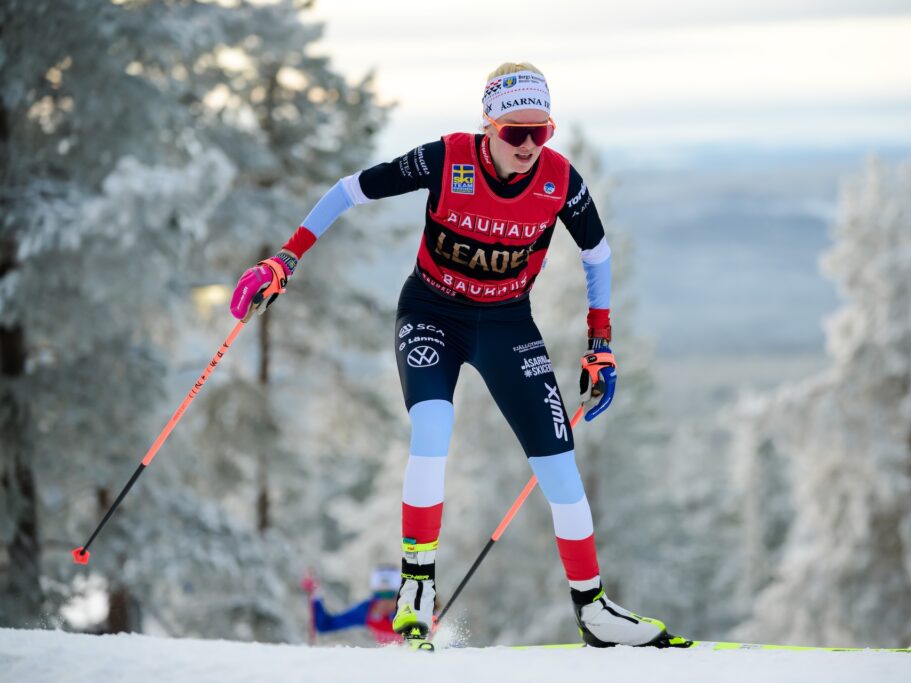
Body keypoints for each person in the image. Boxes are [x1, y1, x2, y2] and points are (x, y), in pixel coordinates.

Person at [231, 62, 673, 648]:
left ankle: (593, 611)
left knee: (559, 465)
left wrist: (600, 342)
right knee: (433, 427)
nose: (528, 145)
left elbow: (597, 252)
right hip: (432, 313)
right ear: (488, 125)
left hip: (507, 324)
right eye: (515, 132)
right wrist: (284, 259)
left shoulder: (560, 179)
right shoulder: (447, 159)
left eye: (541, 131)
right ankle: (416, 587)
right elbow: (348, 191)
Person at [302, 566, 405, 645]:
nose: (383, 601)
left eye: (389, 595)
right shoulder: (367, 609)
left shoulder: (410, 611)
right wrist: (316, 598)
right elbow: (326, 625)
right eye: (378, 595)